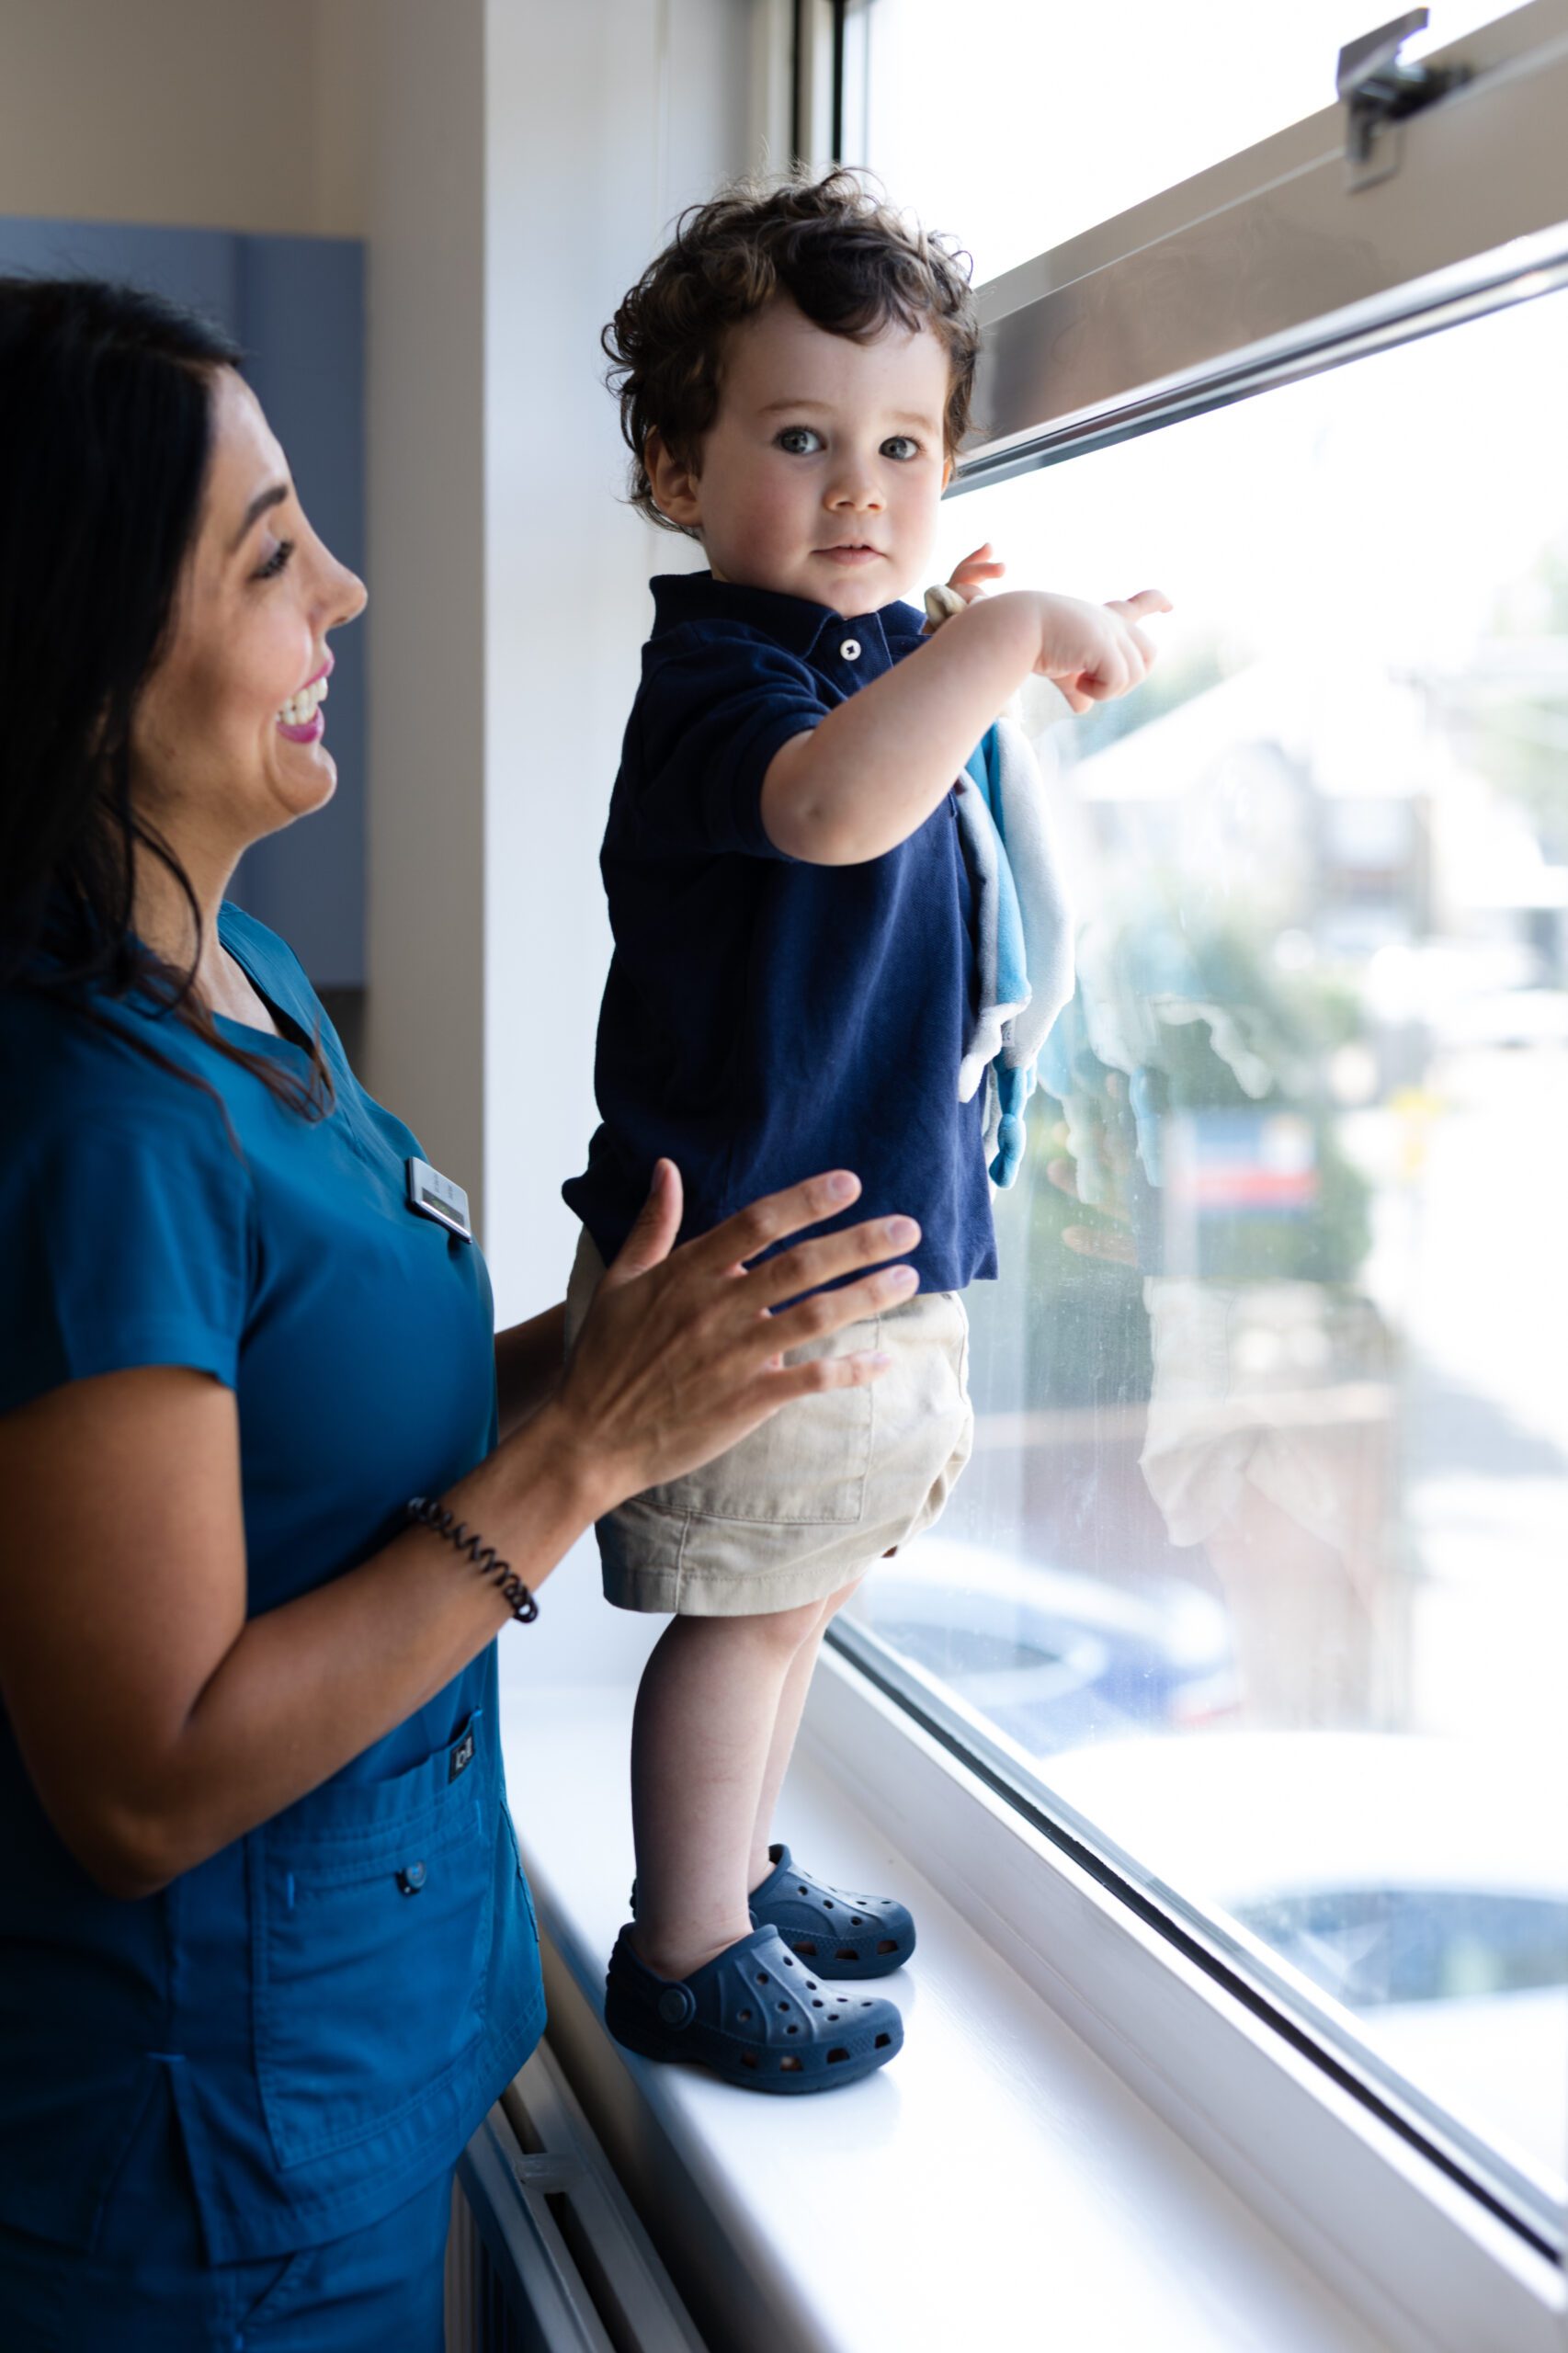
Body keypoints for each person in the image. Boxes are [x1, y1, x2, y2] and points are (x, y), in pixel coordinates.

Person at [0, 275, 919, 2349]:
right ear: (75, 651)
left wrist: (615, 1360)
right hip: (191, 2198)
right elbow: (141, 1777)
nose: (342, 587)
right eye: (265, 557)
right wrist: (584, 1450)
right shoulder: (89, 1123)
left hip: (369, 2081)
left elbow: (303, 1450)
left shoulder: (245, 1004)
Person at [562, 171, 1169, 2091]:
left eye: (904, 446)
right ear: (676, 468)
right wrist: (991, 646)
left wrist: (1019, 647)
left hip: (848, 1249)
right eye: (800, 438)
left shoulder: (857, 653)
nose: (858, 491)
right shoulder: (719, 681)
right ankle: (683, 1943)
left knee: (801, 1585)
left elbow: (941, 749)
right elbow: (835, 810)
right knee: (742, 1610)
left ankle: (730, 1860)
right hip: (744, 1277)